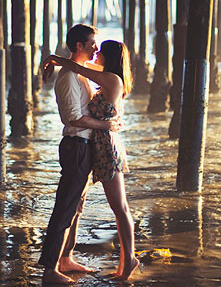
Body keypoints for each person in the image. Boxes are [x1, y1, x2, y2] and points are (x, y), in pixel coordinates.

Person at [43, 39, 140, 281]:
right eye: (92, 46)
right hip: (98, 146)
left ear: (108, 56)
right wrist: (58, 60)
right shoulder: (107, 76)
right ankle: (66, 258)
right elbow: (79, 68)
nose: (96, 52)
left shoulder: (112, 80)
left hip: (107, 148)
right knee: (83, 205)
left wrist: (55, 59)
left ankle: (129, 260)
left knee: (120, 206)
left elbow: (78, 68)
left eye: (100, 50)